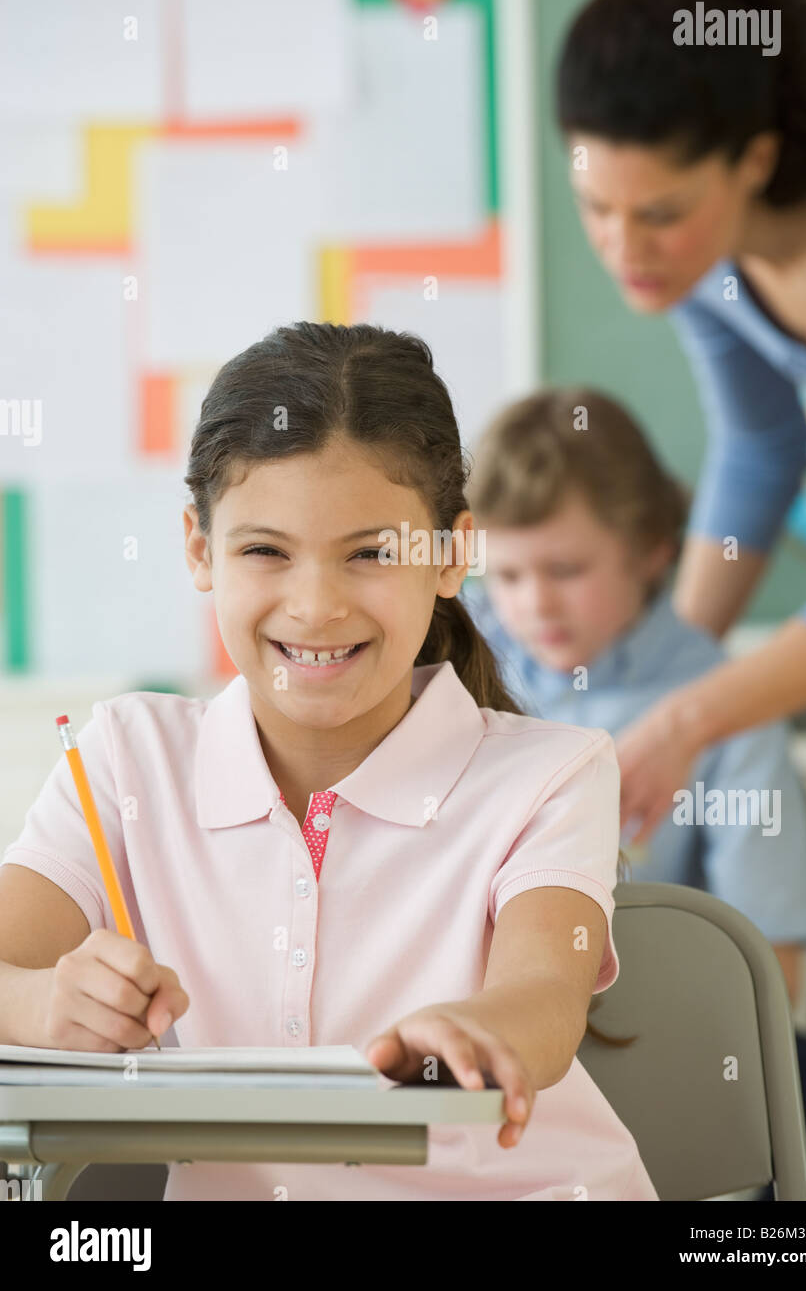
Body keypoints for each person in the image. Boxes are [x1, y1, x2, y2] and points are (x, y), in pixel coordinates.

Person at [0, 322, 657, 1202]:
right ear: (200, 548)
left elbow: (544, 995)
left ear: (451, 555)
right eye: (264, 550)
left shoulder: (553, 772)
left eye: (371, 554)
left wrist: (474, 1033)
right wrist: (40, 1007)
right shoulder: (124, 760)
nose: (315, 607)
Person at [461, 384, 806, 1201]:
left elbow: (771, 983)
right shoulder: (447, 670)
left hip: (649, 1059)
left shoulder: (726, 709)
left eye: (566, 570)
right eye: (505, 573)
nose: (533, 603)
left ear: (651, 551)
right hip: (478, 1055)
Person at [554, 0, 806, 838]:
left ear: (755, 161)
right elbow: (763, 445)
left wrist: (690, 714)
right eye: (595, 206)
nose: (622, 248)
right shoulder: (701, 261)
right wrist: (666, 668)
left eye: (658, 213)